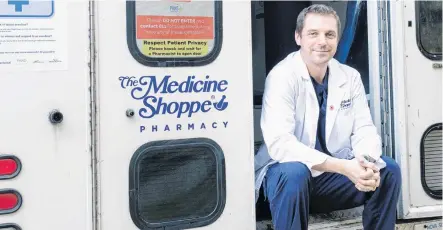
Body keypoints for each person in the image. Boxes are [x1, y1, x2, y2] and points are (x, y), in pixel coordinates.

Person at [254, 4, 401, 230]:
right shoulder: (282, 77)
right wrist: (344, 167)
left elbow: (364, 129)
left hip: (329, 181)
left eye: (329, 34)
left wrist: (366, 164)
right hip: (285, 183)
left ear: (337, 39)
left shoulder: (349, 77)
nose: (322, 41)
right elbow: (281, 145)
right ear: (298, 37)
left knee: (388, 170)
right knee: (295, 172)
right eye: (313, 33)